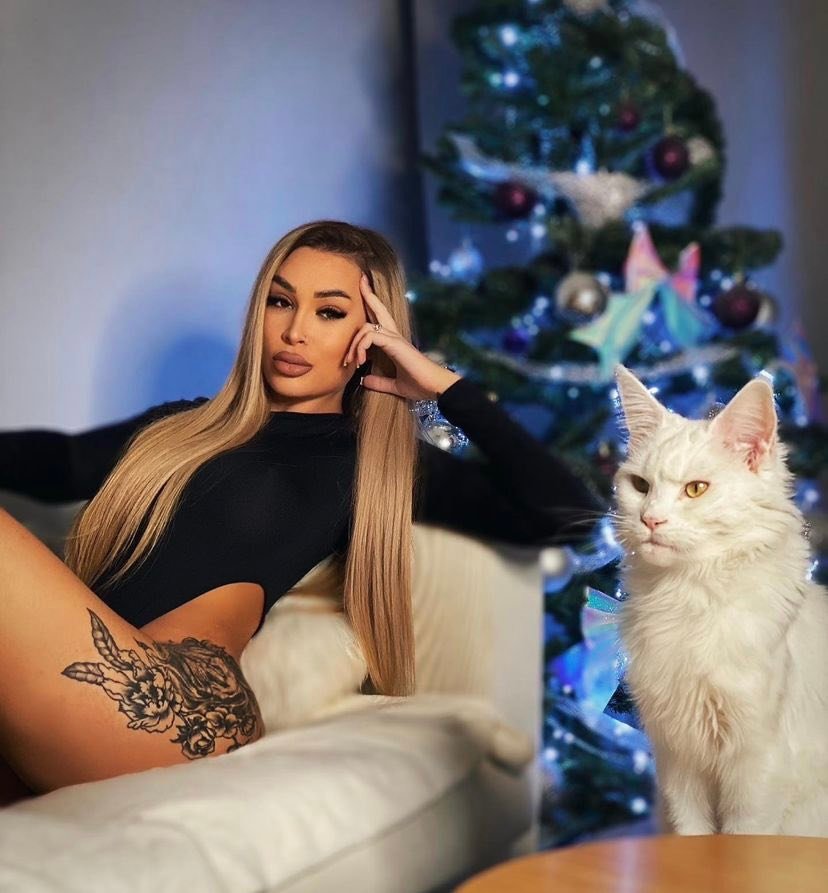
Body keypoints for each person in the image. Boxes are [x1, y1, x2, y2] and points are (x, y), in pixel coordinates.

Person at [0, 219, 606, 804]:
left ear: (369, 335)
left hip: (179, 705)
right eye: (281, 302)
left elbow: (570, 514)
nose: (295, 332)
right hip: (72, 696)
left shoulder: (375, 464)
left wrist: (445, 389)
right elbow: (52, 461)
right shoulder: (176, 428)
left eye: (330, 312)